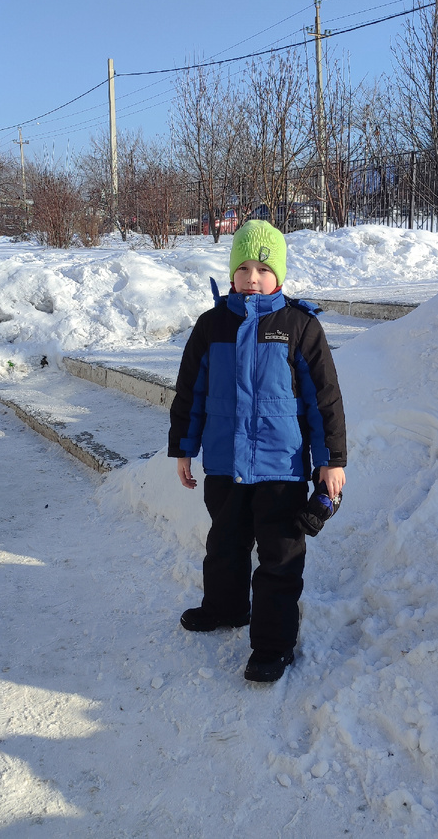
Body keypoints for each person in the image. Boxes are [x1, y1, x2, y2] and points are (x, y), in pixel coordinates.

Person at [168, 219, 347, 683]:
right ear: (231, 272)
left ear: (280, 276)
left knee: (279, 558)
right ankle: (225, 608)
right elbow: (192, 393)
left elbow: (323, 400)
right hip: (226, 466)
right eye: (243, 266)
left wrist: (331, 462)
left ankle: (273, 645)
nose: (252, 277)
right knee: (224, 546)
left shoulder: (299, 326)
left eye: (263, 268)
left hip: (281, 470)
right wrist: (184, 449)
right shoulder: (212, 327)